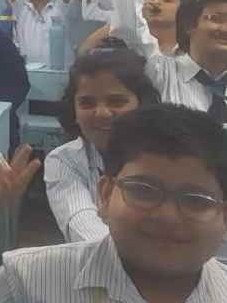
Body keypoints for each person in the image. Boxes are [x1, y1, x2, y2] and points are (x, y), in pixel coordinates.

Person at [0, 104, 227, 303]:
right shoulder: (31, 279)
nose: (168, 215)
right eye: (144, 191)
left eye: (195, 201)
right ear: (105, 195)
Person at [44, 49, 161, 243]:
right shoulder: (64, 160)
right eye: (87, 103)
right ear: (73, 110)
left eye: (117, 102)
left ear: (143, 105)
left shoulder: (169, 159)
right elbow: (82, 227)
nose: (102, 113)